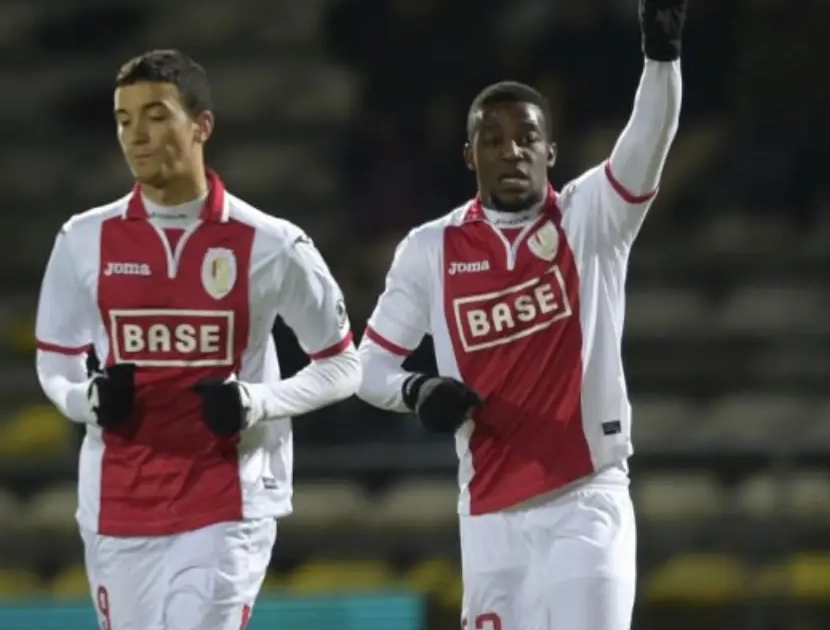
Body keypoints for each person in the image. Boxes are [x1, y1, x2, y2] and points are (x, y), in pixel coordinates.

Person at [355, 1, 686, 628]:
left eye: (527, 138)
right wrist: (417, 390)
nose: (512, 151)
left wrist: (661, 59)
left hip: (586, 499)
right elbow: (367, 368)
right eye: (494, 140)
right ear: (468, 155)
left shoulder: (590, 219)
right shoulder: (430, 249)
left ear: (550, 151)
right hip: (488, 519)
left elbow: (647, 141)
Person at [34, 49, 362, 630]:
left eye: (156, 115)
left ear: (201, 125)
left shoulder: (272, 244)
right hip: (116, 505)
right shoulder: (83, 240)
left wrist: (257, 401)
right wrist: (85, 400)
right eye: (124, 119)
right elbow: (56, 360)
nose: (136, 135)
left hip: (228, 501)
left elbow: (342, 366)